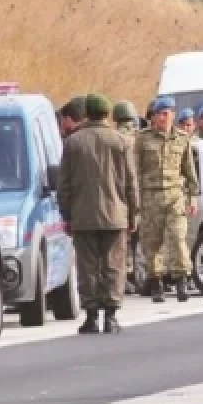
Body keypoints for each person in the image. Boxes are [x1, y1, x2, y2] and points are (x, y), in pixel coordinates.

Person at [57, 94, 138, 335]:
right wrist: (134, 215)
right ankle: (111, 316)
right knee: (114, 265)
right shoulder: (121, 141)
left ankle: (91, 316)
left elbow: (64, 185)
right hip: (116, 214)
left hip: (83, 216)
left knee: (88, 266)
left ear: (86, 114)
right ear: (106, 114)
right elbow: (131, 184)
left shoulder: (73, 143)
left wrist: (67, 215)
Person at [134, 97, 200, 302]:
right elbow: (135, 171)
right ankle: (156, 283)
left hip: (175, 196)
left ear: (173, 114)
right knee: (152, 243)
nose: (162, 118)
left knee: (179, 239)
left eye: (166, 113)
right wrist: (135, 201)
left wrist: (193, 197)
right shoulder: (143, 139)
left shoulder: (182, 138)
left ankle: (182, 281)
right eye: (158, 114)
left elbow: (189, 171)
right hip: (150, 196)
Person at [112, 100, 143, 295]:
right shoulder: (139, 138)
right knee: (138, 236)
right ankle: (138, 277)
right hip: (139, 191)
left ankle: (125, 278)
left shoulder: (114, 138)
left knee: (124, 239)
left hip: (118, 192)